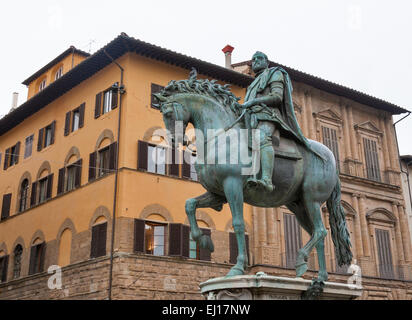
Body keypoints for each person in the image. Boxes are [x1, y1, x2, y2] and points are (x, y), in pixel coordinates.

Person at [241, 51, 323, 192]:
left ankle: (266, 179)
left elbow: (277, 97)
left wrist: (255, 101)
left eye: (259, 58)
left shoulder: (275, 73)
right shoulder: (253, 84)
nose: (255, 61)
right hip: (251, 117)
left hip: (269, 115)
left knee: (261, 138)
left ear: (267, 62)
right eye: (253, 59)